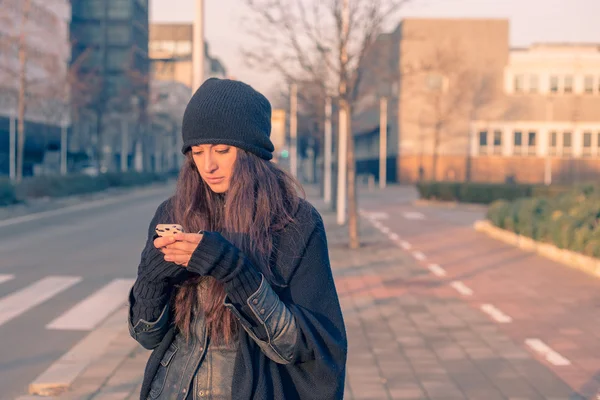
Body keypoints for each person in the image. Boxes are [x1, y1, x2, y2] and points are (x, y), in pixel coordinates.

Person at [128, 78, 347, 400]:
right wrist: (152, 277)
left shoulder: (293, 222)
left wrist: (234, 270)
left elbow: (302, 347)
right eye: (197, 152)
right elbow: (147, 337)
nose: (208, 165)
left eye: (222, 150)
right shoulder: (174, 212)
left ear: (250, 152)